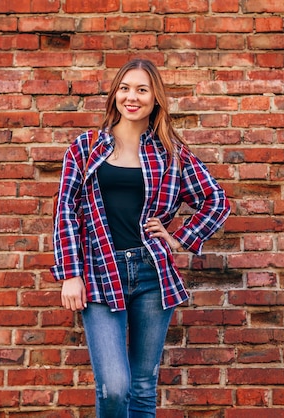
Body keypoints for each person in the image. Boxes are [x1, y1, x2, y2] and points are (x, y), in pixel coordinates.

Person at [51, 58, 230, 417]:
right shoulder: (86, 148)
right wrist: (70, 273)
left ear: (156, 99)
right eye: (125, 88)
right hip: (100, 274)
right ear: (116, 94)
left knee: (144, 385)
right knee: (115, 387)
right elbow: (65, 210)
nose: (132, 97)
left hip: (151, 275)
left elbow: (216, 200)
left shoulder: (171, 155)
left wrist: (180, 238)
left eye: (142, 90)